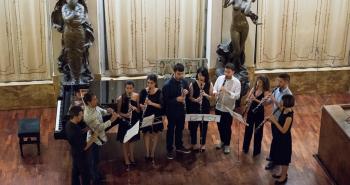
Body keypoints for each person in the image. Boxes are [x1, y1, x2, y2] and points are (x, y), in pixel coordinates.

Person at [83, 92, 118, 184]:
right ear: (89, 103)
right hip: (95, 140)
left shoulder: (93, 106)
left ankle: (97, 175)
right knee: (94, 161)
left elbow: (100, 110)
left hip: (98, 136)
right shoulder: (89, 116)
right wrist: (111, 120)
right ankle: (95, 180)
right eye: (94, 99)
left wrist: (107, 111)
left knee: (97, 160)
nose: (97, 100)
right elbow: (99, 127)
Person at [162, 63, 191, 160]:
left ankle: (179, 146)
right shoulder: (167, 85)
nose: (181, 76)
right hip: (171, 111)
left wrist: (186, 92)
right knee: (170, 130)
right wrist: (176, 99)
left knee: (180, 129)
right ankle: (169, 149)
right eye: (178, 74)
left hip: (181, 111)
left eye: (182, 74)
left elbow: (187, 91)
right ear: (174, 72)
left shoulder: (184, 82)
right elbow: (165, 101)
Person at [265, 73, 293, 170]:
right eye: (278, 81)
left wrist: (274, 100)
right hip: (274, 117)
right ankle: (273, 157)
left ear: (286, 82)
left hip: (281, 120)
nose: (278, 83)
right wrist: (266, 100)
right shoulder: (277, 89)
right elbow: (270, 101)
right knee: (275, 138)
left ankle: (275, 161)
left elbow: (285, 110)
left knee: (278, 140)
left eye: (280, 81)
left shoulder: (288, 95)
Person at [266, 94, 295, 184]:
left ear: (286, 102)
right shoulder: (284, 110)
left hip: (285, 140)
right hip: (280, 138)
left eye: (282, 100)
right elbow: (280, 122)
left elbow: (283, 130)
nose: (281, 101)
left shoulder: (289, 116)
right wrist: (271, 120)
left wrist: (274, 121)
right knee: (281, 157)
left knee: (284, 159)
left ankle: (283, 177)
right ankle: (282, 173)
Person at [213, 63, 241, 154]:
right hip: (218, 106)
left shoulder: (237, 82)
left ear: (233, 72)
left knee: (227, 127)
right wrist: (215, 93)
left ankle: (227, 145)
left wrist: (227, 91)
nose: (226, 74)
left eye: (228, 72)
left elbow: (237, 96)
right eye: (225, 71)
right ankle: (222, 141)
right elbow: (214, 88)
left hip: (228, 109)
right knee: (220, 126)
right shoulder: (220, 78)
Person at [65, 106, 96, 185]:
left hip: (74, 152)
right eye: (81, 115)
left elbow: (78, 135)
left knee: (75, 172)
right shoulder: (75, 132)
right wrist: (94, 137)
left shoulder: (69, 124)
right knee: (86, 175)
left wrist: (84, 130)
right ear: (75, 116)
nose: (82, 116)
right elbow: (84, 147)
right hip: (80, 156)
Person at [242, 75, 270, 156]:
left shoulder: (266, 92)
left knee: (258, 131)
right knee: (248, 130)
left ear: (264, 83)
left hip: (259, 113)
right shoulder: (254, 89)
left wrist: (255, 99)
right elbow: (247, 99)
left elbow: (265, 103)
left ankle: (256, 151)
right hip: (251, 111)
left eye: (260, 82)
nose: (258, 83)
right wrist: (247, 100)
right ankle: (245, 148)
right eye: (258, 81)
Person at [139, 74, 164, 164]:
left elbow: (161, 106)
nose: (149, 85)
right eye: (148, 83)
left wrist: (151, 103)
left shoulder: (159, 92)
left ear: (155, 83)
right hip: (146, 115)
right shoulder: (143, 92)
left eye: (151, 83)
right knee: (146, 133)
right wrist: (142, 106)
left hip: (156, 115)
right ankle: (147, 152)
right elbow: (140, 104)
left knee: (155, 133)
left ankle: (152, 153)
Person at [116, 80, 140, 171]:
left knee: (132, 140)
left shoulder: (137, 96)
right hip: (124, 122)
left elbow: (138, 111)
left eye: (130, 88)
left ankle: (132, 157)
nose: (129, 90)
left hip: (133, 120)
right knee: (125, 141)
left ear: (133, 88)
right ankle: (126, 159)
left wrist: (134, 108)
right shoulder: (120, 98)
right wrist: (125, 115)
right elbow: (118, 112)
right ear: (125, 88)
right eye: (127, 88)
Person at [188, 67, 213, 152]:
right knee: (193, 126)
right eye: (199, 75)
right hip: (194, 108)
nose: (200, 77)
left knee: (204, 126)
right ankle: (194, 143)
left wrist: (205, 95)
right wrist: (196, 100)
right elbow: (190, 97)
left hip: (205, 107)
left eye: (202, 75)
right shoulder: (192, 84)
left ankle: (203, 144)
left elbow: (211, 98)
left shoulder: (209, 84)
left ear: (206, 76)